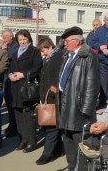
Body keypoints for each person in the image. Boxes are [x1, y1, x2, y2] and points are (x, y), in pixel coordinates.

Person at [56, 26, 100, 171]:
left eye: (67, 41)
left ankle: (81, 168)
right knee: (67, 137)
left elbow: (92, 85)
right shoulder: (66, 55)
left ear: (76, 41)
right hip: (65, 103)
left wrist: (86, 109)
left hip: (78, 106)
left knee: (79, 139)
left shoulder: (89, 56)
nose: (64, 43)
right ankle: (71, 165)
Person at [8, 29, 43, 152]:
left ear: (29, 39)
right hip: (15, 87)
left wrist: (23, 74)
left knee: (28, 115)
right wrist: (10, 75)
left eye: (24, 39)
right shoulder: (15, 53)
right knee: (18, 114)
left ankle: (31, 141)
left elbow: (37, 67)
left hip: (28, 87)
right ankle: (22, 139)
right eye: (20, 40)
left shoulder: (34, 52)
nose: (22, 42)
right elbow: (10, 68)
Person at [35, 37, 65, 165]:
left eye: (43, 50)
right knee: (51, 125)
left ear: (49, 47)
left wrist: (53, 90)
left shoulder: (57, 56)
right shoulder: (49, 58)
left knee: (51, 126)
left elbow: (59, 75)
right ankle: (59, 149)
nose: (43, 54)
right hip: (47, 96)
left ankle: (47, 153)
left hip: (53, 97)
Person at [88, 13, 108, 107]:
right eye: (107, 20)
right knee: (103, 84)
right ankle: (103, 102)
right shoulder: (100, 30)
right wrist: (100, 47)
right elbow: (92, 42)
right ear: (104, 21)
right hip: (102, 61)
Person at [1, 30, 19, 137]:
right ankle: (12, 125)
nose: (3, 40)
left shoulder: (14, 47)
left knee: (12, 105)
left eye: (5, 38)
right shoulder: (10, 46)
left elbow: (8, 59)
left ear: (10, 37)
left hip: (12, 79)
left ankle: (14, 128)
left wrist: (3, 50)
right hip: (7, 78)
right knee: (8, 104)